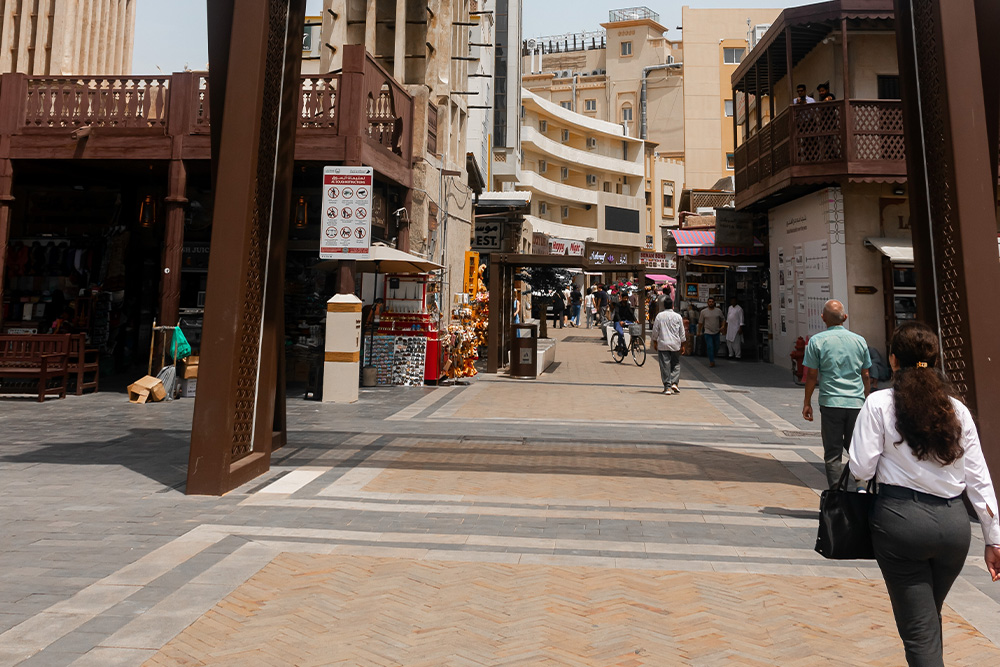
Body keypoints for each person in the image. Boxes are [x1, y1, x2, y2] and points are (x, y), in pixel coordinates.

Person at [849, 322, 1000, 666]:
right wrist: (994, 539)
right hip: (953, 525)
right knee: (927, 618)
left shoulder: (878, 403)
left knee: (918, 629)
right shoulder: (956, 410)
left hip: (901, 522)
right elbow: (979, 478)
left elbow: (860, 468)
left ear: (893, 359)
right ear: (935, 360)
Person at [802, 299, 872, 489]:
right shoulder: (859, 340)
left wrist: (807, 402)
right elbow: (866, 374)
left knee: (833, 452)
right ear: (845, 318)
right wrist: (866, 398)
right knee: (857, 448)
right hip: (856, 402)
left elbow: (812, 376)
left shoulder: (817, 341)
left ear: (823, 318)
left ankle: (836, 493)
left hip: (831, 402)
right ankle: (861, 486)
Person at [651, 297, 686, 395]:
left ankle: (667, 386)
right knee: (676, 363)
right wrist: (683, 344)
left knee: (664, 365)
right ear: (672, 306)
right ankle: (674, 382)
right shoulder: (678, 317)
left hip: (663, 344)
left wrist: (654, 341)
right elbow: (682, 332)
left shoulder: (659, 316)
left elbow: (655, 331)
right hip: (675, 344)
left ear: (663, 306)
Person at [697, 298, 724, 367]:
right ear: (707, 303)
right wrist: (699, 332)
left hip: (716, 332)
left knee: (716, 346)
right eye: (709, 302)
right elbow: (700, 323)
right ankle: (711, 361)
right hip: (708, 332)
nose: (711, 303)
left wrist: (723, 326)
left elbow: (723, 320)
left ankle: (713, 355)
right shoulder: (703, 312)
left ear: (714, 303)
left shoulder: (718, 311)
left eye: (712, 302)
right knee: (710, 346)